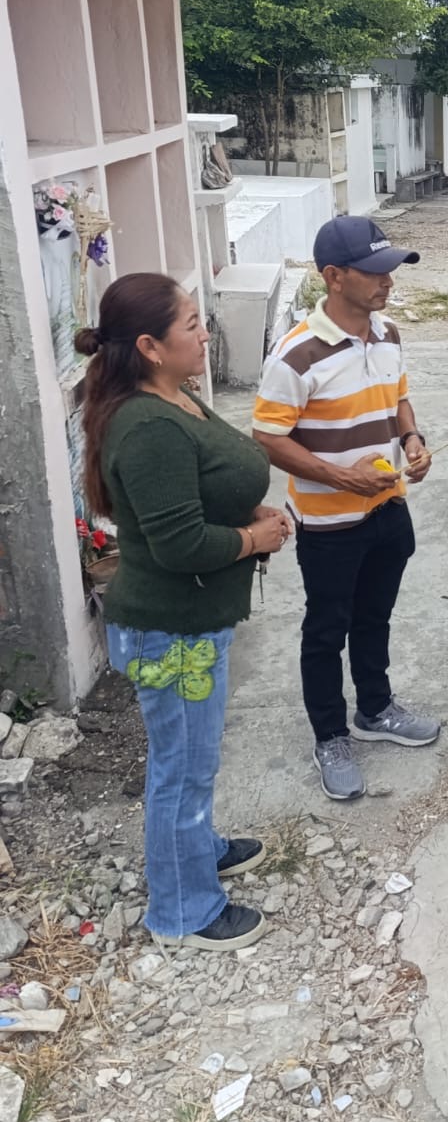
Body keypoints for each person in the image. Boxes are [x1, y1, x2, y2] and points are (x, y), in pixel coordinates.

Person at [77, 273, 291, 951]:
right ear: (149, 345)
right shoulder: (147, 426)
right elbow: (177, 545)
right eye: (192, 324)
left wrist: (244, 509)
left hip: (190, 624)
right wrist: (253, 538)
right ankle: (183, 910)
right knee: (183, 769)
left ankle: (197, 850)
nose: (206, 333)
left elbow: (202, 485)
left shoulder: (176, 394)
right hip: (170, 632)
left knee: (193, 759)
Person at [253, 216, 440, 801]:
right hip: (328, 523)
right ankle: (330, 736)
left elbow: (399, 399)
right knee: (325, 629)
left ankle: (375, 709)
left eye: (392, 269)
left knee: (374, 617)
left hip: (388, 509)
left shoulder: (388, 334)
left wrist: (412, 440)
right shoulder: (295, 355)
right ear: (333, 277)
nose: (388, 281)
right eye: (375, 271)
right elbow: (268, 437)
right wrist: (340, 477)